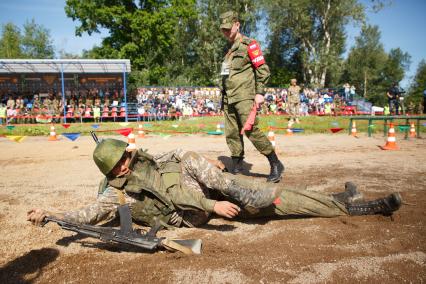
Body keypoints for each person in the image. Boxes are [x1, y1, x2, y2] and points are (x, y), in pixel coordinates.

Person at [27, 139, 402, 229]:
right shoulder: (116, 193)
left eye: (128, 153)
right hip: (195, 211)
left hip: (205, 184)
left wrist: (204, 164)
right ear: (114, 171)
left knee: (197, 161)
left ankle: (336, 197)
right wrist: (52, 217)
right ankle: (353, 206)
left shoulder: (145, 160)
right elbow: (89, 214)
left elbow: (172, 160)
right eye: (123, 159)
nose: (130, 159)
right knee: (265, 199)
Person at [219, 11, 284, 182]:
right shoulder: (228, 52)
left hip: (244, 97)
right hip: (228, 99)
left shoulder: (250, 45)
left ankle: (275, 163)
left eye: (228, 29)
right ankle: (237, 166)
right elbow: (225, 76)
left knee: (250, 130)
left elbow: (263, 71)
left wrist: (259, 93)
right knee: (232, 133)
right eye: (223, 30)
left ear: (237, 24)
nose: (226, 32)